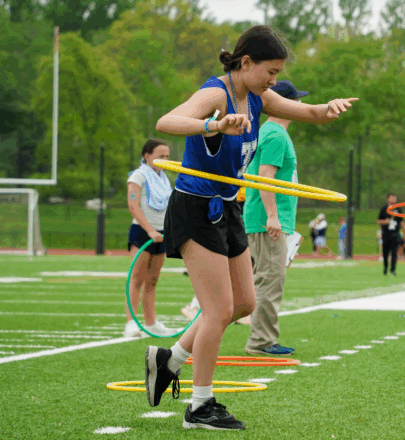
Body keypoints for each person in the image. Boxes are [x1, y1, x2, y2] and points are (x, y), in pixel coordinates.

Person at [147, 25, 357, 431]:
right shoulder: (215, 94)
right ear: (246, 63)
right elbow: (166, 121)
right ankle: (200, 406)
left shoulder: (259, 96)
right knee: (218, 310)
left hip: (227, 208)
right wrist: (214, 125)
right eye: (271, 71)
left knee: (244, 303)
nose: (274, 81)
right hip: (195, 205)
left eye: (278, 74)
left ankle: (168, 359)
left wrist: (326, 109)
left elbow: (308, 113)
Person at [242, 79, 307, 357]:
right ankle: (261, 342)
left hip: (268, 218)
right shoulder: (275, 135)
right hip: (266, 219)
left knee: (266, 278)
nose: (301, 104)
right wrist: (272, 217)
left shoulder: (272, 132)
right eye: (296, 100)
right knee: (270, 279)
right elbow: (265, 178)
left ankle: (262, 338)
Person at [124, 139, 176, 337]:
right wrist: (150, 231)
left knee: (152, 280)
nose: (164, 160)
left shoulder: (163, 178)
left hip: (161, 234)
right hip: (142, 233)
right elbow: (133, 205)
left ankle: (150, 323)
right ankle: (131, 322)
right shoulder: (138, 176)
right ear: (147, 156)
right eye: (159, 156)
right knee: (136, 278)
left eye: (166, 157)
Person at [378, 193, 403, 275]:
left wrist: (404, 232)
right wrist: (385, 222)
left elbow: (401, 221)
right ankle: (385, 269)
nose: (393, 199)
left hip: (395, 234)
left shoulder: (398, 209)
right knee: (385, 252)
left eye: (395, 198)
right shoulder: (384, 209)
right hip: (386, 233)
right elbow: (379, 221)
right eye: (392, 198)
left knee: (394, 253)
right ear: (388, 198)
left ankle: (392, 270)